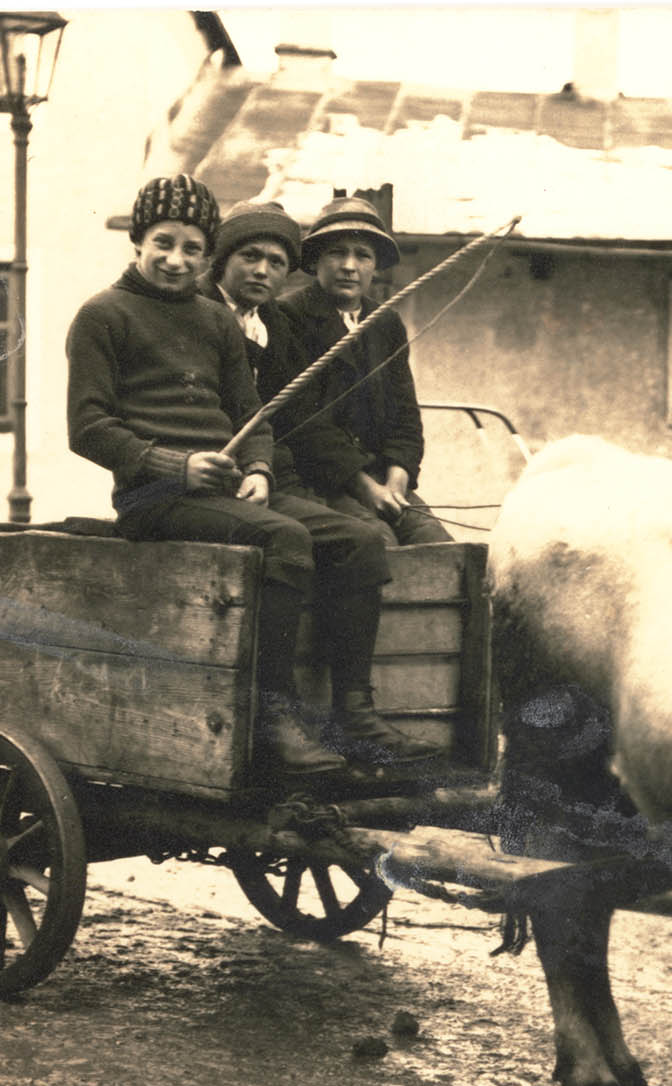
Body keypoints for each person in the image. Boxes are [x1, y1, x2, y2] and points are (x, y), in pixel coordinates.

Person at [66, 176, 423, 776]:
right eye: (164, 243)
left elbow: (253, 414)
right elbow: (89, 428)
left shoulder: (215, 321)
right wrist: (175, 465)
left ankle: (354, 714)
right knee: (284, 538)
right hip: (156, 498)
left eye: (191, 248)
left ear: (206, 255)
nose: (177, 259)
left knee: (358, 539)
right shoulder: (104, 315)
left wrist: (257, 467)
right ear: (138, 242)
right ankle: (269, 718)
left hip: (229, 492)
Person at [279, 195, 453, 545]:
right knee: (378, 544)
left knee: (443, 547)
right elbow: (303, 423)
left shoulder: (385, 322)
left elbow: (406, 414)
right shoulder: (289, 317)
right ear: (315, 261)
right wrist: (366, 487)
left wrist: (397, 479)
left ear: (376, 265)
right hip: (321, 481)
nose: (349, 265)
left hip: (382, 479)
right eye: (336, 252)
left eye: (363, 255)